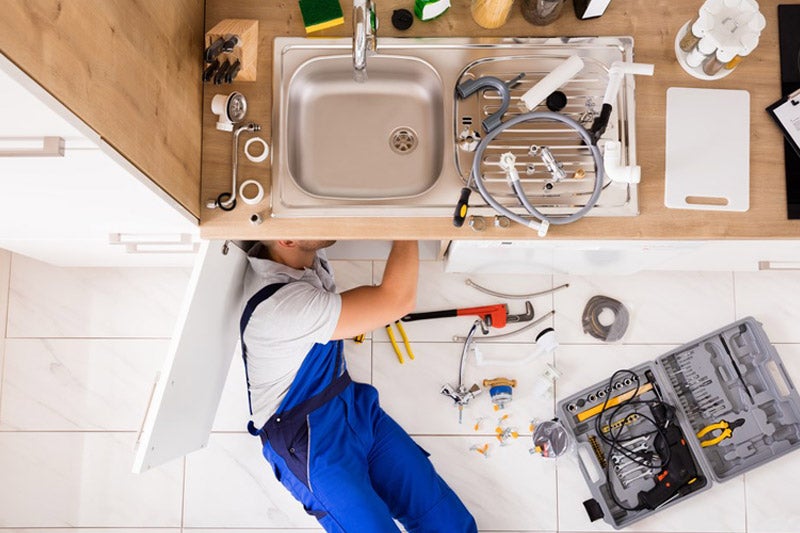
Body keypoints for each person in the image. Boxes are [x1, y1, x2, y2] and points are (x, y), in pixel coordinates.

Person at [240, 239, 478, 533]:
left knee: (449, 524)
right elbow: (396, 300)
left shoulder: (301, 254)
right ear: (287, 240)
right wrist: (408, 226)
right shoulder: (281, 306)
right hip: (309, 444)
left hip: (354, 408)